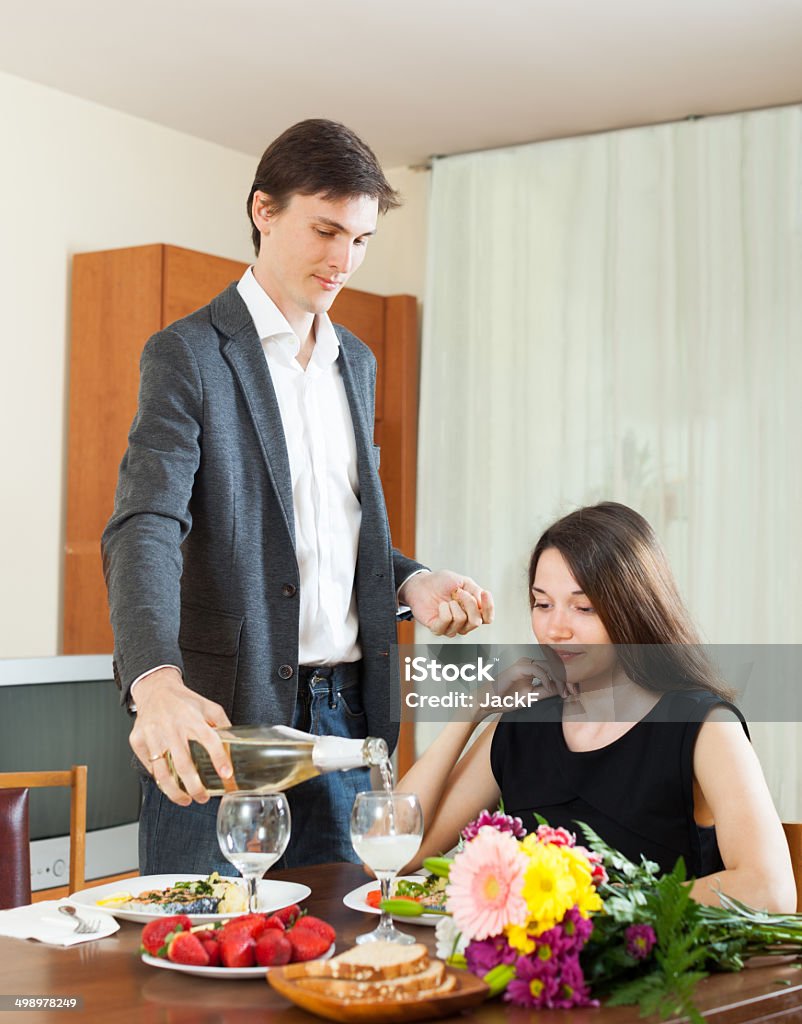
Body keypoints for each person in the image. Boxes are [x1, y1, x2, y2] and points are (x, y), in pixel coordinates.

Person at [101, 119, 493, 873]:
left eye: (362, 238)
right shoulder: (188, 355)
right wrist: (156, 683)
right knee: (210, 963)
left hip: (351, 719)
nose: (344, 259)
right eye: (326, 230)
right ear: (264, 212)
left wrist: (410, 580)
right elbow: (144, 524)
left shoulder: (359, 362)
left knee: (347, 960)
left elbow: (325, 531)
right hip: (229, 724)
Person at [399, 502, 796, 911]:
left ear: (635, 607)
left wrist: (590, 907)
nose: (556, 628)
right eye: (542, 604)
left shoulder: (702, 725)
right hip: (540, 973)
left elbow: (769, 889)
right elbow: (399, 852)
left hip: (662, 971)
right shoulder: (521, 723)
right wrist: (472, 711)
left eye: (583, 607)